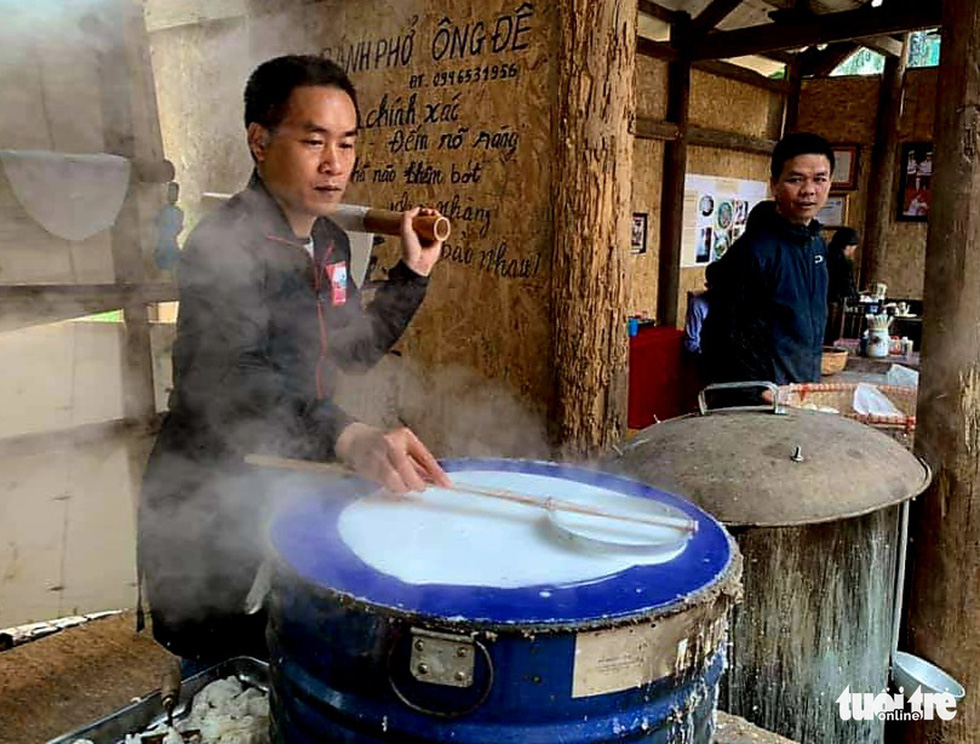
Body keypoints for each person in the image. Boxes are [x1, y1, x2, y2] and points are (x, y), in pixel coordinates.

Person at [138, 55, 450, 665]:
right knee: (223, 673)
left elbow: (351, 348)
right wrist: (345, 433)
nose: (335, 164)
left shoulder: (330, 241)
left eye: (347, 143)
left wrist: (412, 274)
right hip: (213, 488)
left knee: (290, 654)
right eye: (313, 141)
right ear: (259, 141)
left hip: (292, 475)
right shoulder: (223, 245)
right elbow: (230, 379)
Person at [701, 132, 832, 386]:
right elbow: (722, 335)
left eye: (819, 179)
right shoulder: (755, 251)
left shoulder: (816, 244)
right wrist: (756, 391)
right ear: (774, 185)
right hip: (761, 400)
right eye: (796, 179)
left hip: (800, 390)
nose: (809, 190)